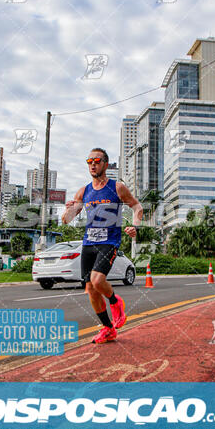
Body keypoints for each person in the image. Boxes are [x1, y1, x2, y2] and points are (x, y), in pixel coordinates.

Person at [62, 147, 143, 344]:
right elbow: (66, 220)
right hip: (89, 242)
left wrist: (135, 226)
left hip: (109, 241)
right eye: (89, 161)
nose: (92, 164)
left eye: (97, 161)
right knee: (90, 288)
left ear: (105, 164)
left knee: (97, 281)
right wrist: (69, 210)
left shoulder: (117, 188)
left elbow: (137, 207)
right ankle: (108, 329)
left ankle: (116, 302)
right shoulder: (84, 191)